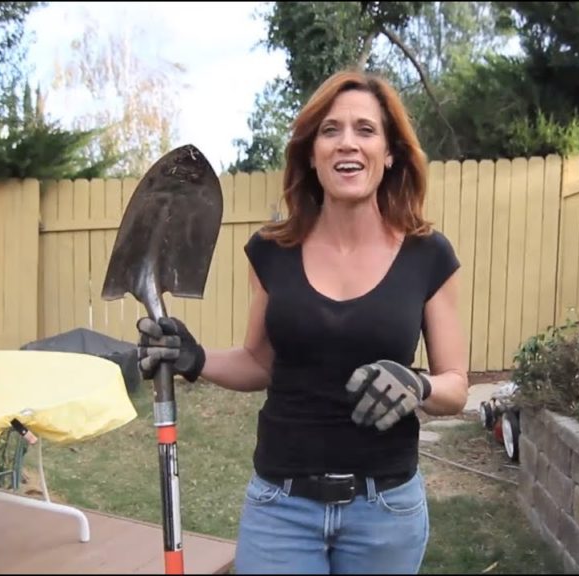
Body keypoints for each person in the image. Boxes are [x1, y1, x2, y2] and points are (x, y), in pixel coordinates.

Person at [136, 68, 469, 574]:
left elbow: (457, 386)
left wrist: (418, 386)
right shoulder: (274, 251)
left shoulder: (428, 255)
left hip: (385, 510)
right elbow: (258, 362)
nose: (346, 144)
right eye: (329, 131)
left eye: (365, 129)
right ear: (311, 154)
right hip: (282, 508)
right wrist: (196, 358)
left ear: (391, 152)